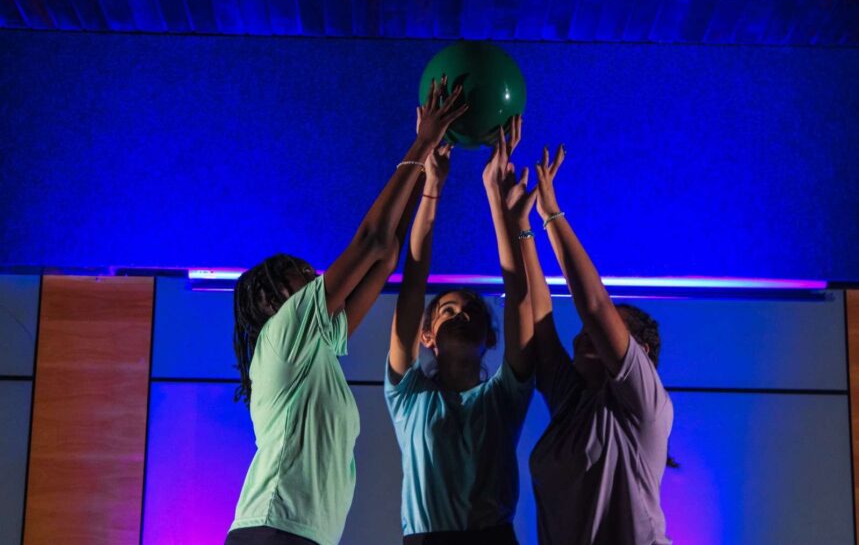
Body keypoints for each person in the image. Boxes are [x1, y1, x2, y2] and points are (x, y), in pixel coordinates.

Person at [224, 80, 468, 545]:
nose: (315, 276)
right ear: (275, 301)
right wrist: (422, 141)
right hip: (273, 530)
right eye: (301, 275)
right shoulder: (283, 330)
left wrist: (427, 178)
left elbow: (387, 255)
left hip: (298, 534)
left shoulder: (311, 350)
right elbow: (371, 241)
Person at [507, 145, 673, 544]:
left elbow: (595, 306)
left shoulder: (646, 406)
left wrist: (551, 214)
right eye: (588, 329)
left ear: (641, 352)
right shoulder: (574, 402)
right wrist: (521, 226)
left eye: (611, 329)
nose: (588, 332)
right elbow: (541, 320)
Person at [385, 115, 535, 545]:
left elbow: (518, 295)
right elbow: (413, 286)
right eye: (447, 310)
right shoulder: (409, 396)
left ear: (490, 337)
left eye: (470, 311)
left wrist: (495, 193)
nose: (459, 314)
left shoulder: (504, 396)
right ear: (427, 336)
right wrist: (431, 187)